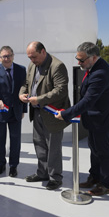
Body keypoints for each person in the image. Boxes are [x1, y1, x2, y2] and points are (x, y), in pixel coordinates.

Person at [55, 42, 109, 196]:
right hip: (94, 120)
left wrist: (66, 114)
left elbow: (88, 100)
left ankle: (105, 185)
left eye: (82, 60)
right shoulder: (93, 68)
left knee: (103, 152)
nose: (78, 63)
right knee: (94, 150)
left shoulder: (101, 73)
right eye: (77, 59)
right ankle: (94, 177)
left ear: (93, 57)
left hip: (103, 121)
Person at [19, 41, 70, 190]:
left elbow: (61, 90)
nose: (32, 60)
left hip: (53, 114)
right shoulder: (32, 65)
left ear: (43, 52)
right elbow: (27, 83)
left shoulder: (57, 66)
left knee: (53, 147)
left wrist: (39, 99)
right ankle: (42, 173)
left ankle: (55, 177)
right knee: (39, 144)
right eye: (29, 58)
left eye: (34, 57)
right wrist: (22, 94)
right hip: (37, 112)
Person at [0, 46, 27, 177]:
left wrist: (24, 109)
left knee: (15, 140)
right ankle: (1, 164)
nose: (7, 59)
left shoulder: (21, 70)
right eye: (4, 56)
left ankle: (13, 166)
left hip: (16, 111)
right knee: (0, 140)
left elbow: (25, 90)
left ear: (13, 56)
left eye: (9, 56)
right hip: (0, 112)